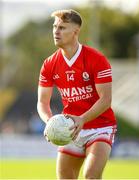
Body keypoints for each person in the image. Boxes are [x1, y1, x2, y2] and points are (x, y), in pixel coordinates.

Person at [37, 9, 117, 179]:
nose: (56, 31)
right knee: (65, 177)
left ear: (76, 31)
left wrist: (82, 119)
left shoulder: (97, 59)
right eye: (54, 27)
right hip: (71, 129)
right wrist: (49, 121)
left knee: (91, 175)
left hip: (100, 127)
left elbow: (106, 100)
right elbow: (42, 102)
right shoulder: (49, 64)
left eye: (62, 27)